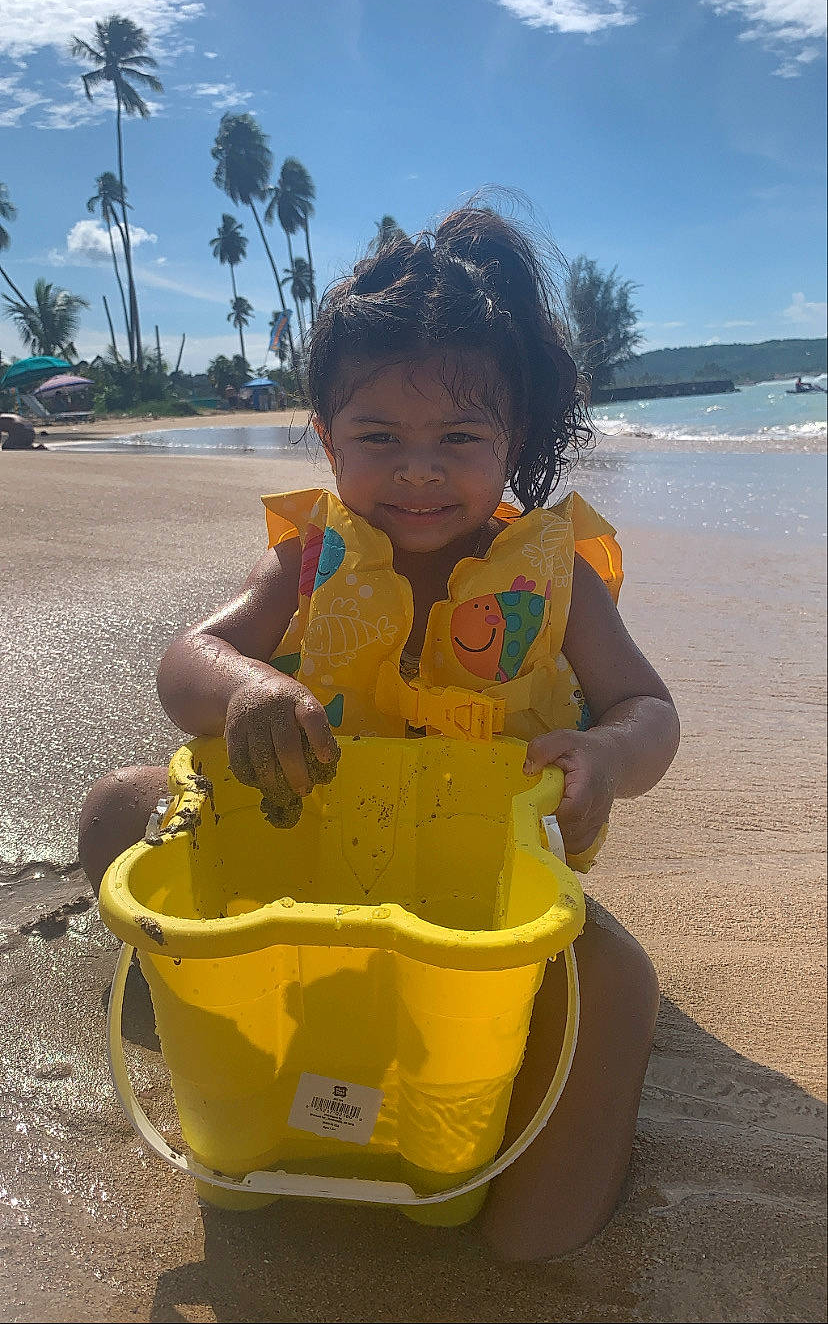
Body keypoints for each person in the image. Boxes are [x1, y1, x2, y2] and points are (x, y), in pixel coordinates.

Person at [79, 206, 680, 1261]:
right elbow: (187, 662)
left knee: (616, 982)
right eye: (379, 437)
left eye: (458, 438)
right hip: (304, 858)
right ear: (325, 437)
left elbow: (650, 707)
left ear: (515, 441)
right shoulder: (310, 558)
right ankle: (193, 1024)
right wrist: (246, 689)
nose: (417, 470)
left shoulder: (555, 576)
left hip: (482, 902)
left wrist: (609, 753)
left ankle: (548, 1182)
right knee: (122, 807)